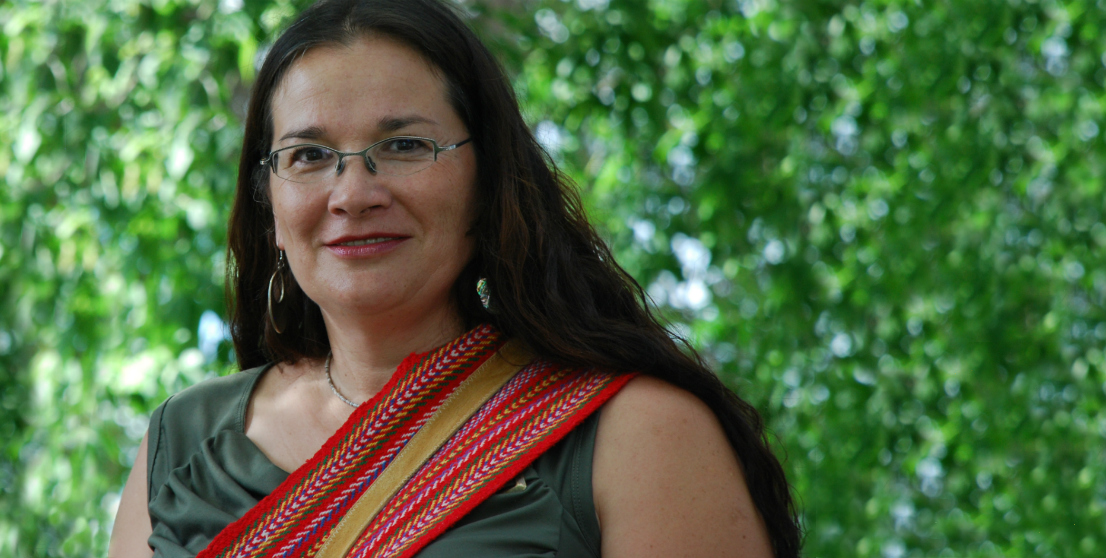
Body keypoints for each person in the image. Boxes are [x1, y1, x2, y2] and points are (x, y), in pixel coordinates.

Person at [109, 0, 800, 556]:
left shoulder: (638, 434)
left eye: (405, 145)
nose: (353, 193)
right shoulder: (181, 442)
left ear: (488, 180)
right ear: (269, 205)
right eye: (310, 154)